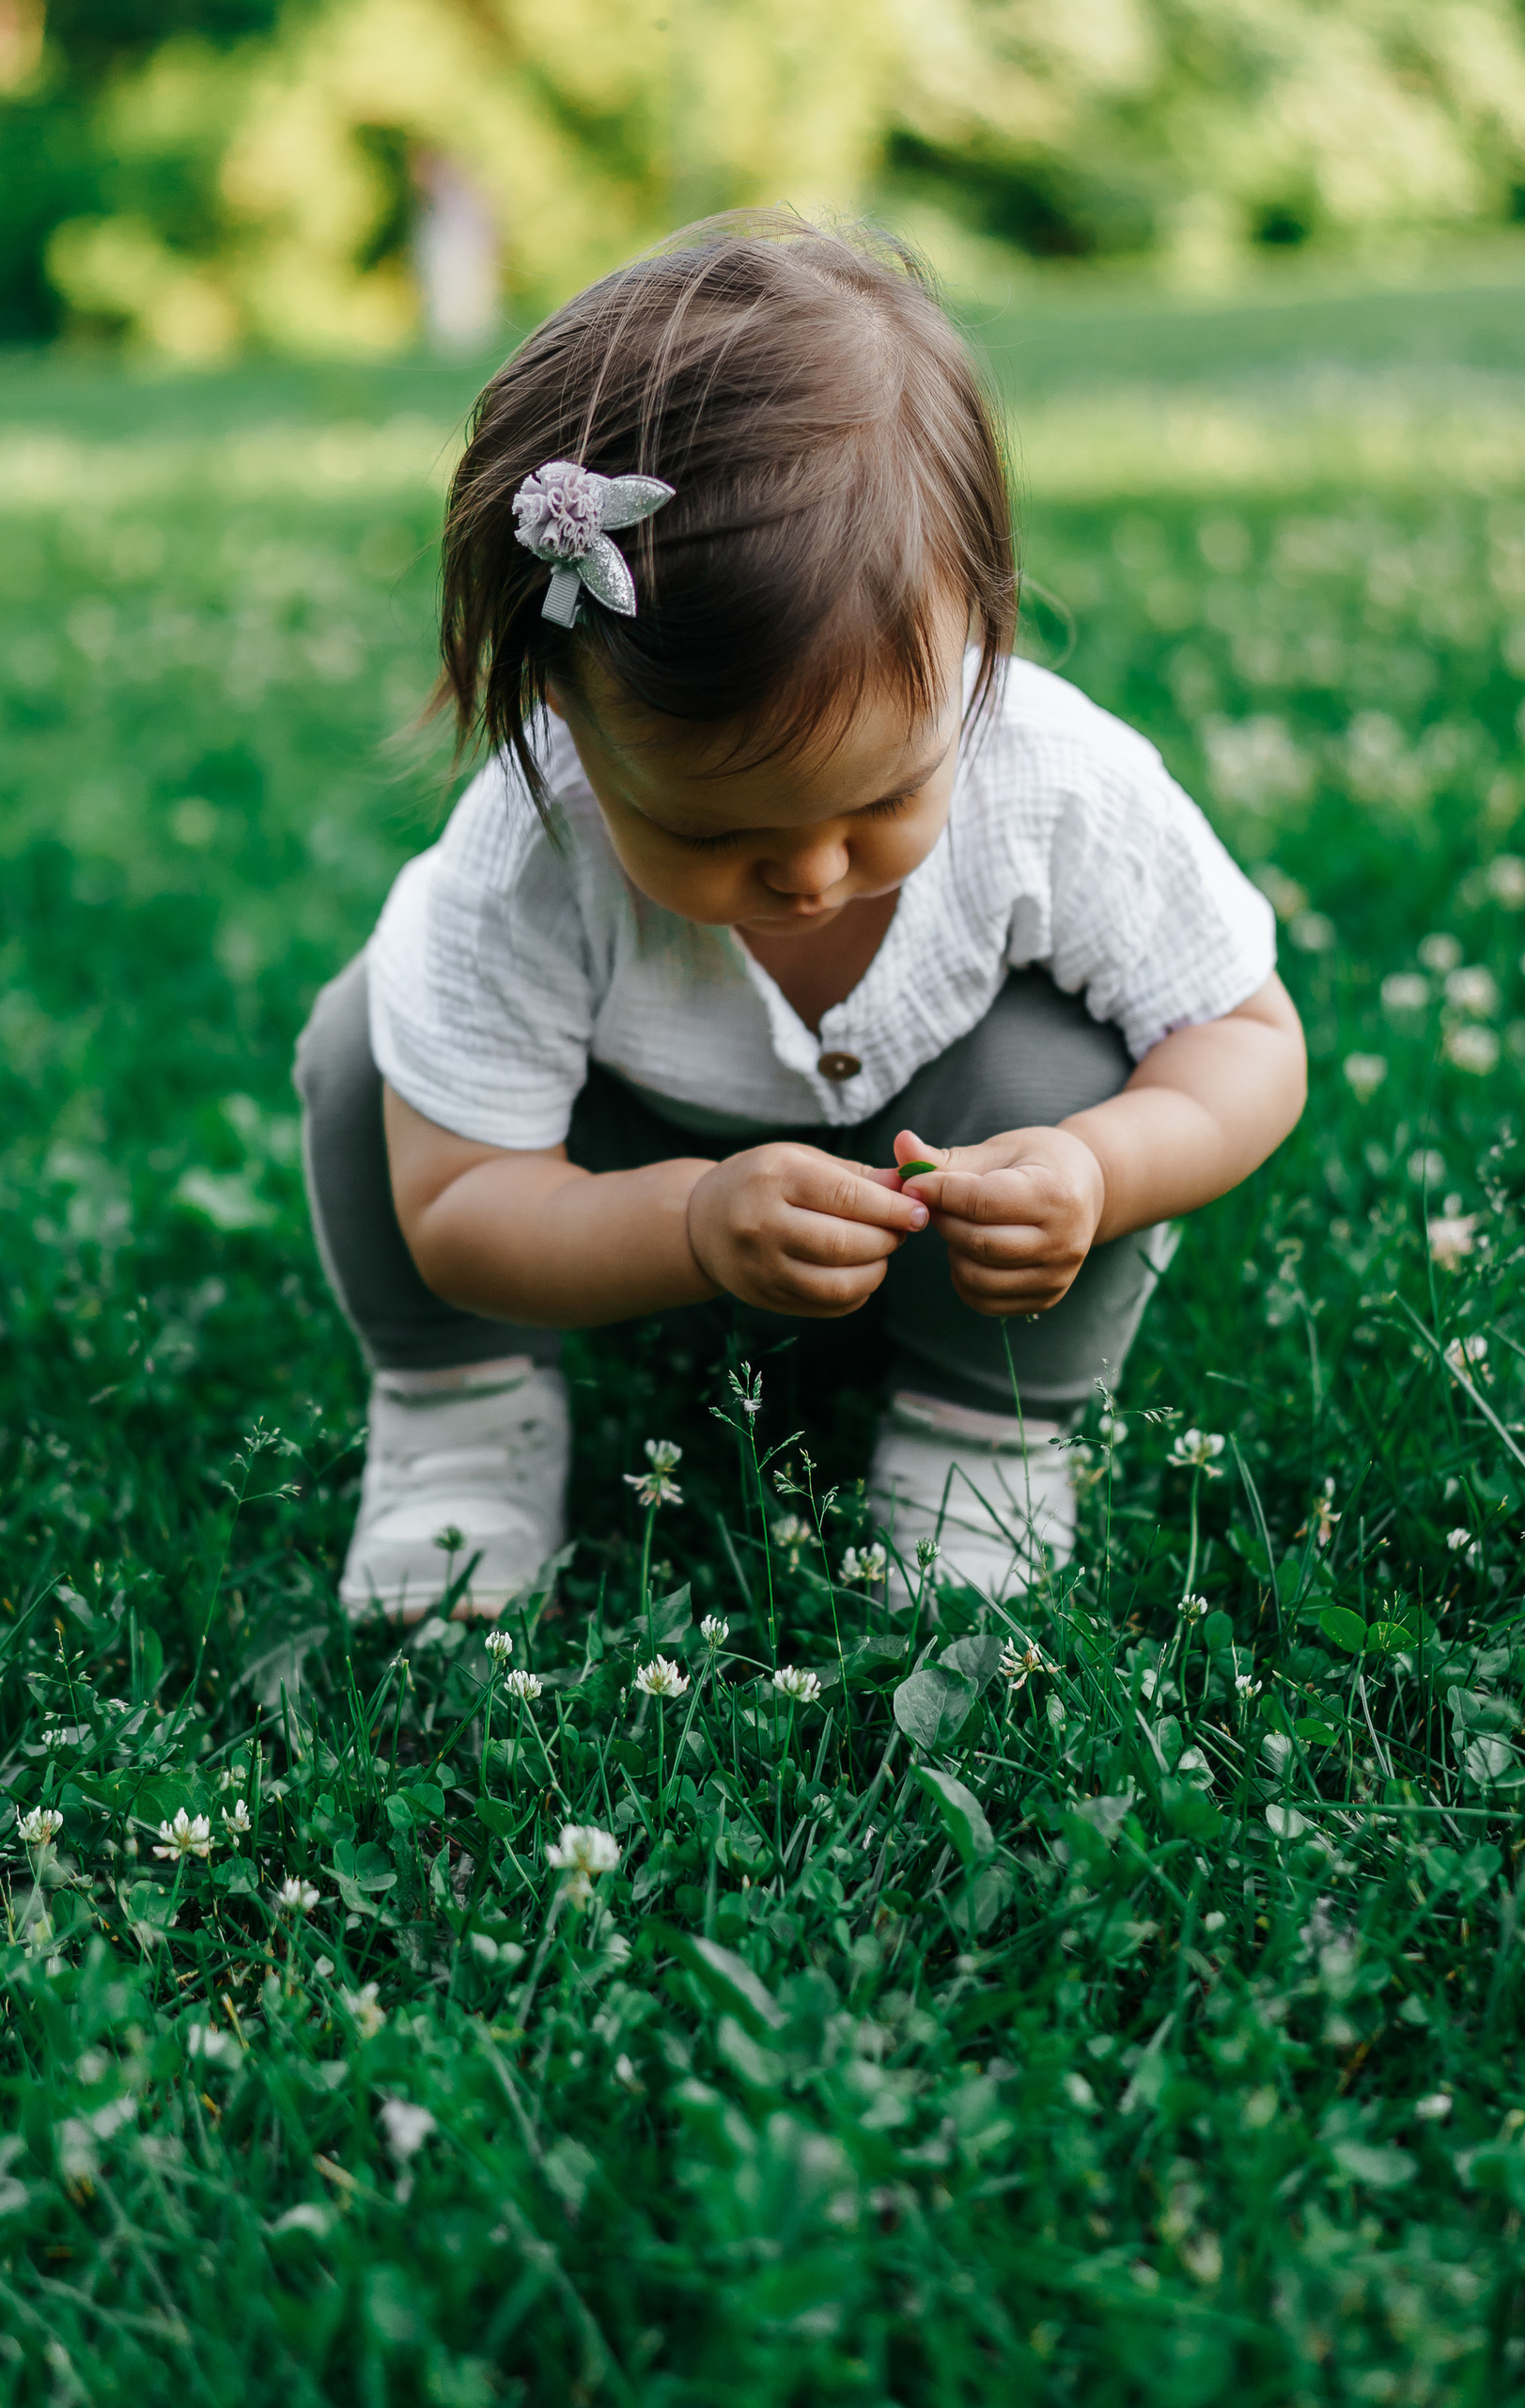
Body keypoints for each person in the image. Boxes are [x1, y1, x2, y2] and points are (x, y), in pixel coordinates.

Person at [295, 217, 1305, 1619]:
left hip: (950, 1145)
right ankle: (463, 1417)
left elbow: (1244, 1036)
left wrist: (1101, 1167)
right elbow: (462, 1206)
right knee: (369, 1052)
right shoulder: (525, 862)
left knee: (1077, 1068)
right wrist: (694, 1223)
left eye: (883, 798)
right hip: (623, 1148)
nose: (813, 874)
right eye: (713, 832)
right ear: (565, 719)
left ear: (978, 637)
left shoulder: (1057, 785)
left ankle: (982, 1431)